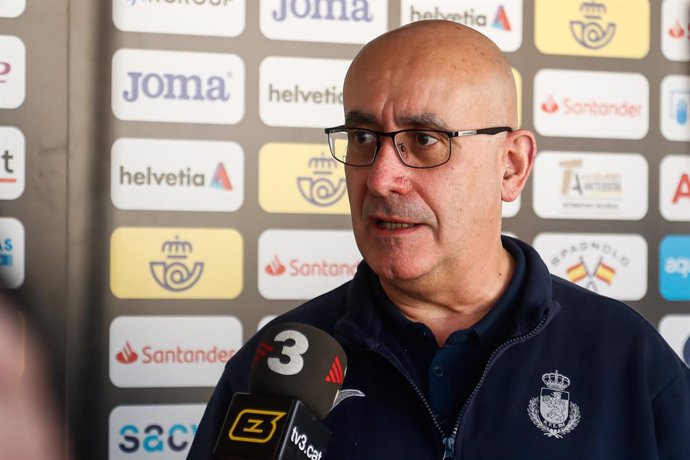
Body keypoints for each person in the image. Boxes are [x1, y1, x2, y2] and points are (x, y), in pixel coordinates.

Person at [188, 20, 690, 459]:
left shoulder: (629, 359)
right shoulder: (274, 367)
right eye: (363, 138)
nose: (382, 178)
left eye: (425, 140)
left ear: (511, 166)